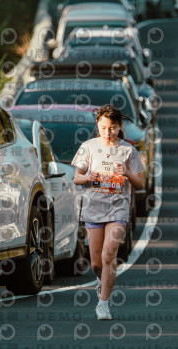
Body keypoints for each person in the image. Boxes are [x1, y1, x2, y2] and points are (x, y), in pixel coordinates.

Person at [72, 105, 144, 320]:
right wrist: (88, 177)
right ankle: (101, 279)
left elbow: (140, 184)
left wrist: (128, 173)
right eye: (103, 127)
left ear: (120, 126)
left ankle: (103, 304)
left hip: (117, 208)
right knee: (96, 262)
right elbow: (77, 178)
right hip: (94, 208)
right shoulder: (88, 147)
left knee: (109, 254)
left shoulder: (128, 150)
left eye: (112, 128)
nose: (108, 132)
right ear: (97, 125)